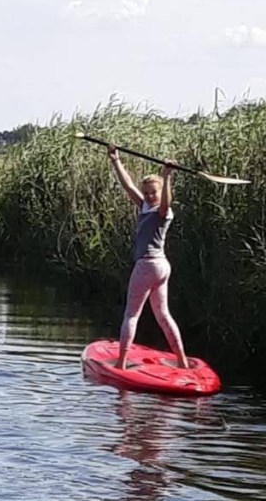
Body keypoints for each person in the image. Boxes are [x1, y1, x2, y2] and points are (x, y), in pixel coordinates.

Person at [108, 144, 190, 370]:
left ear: (160, 190)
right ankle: (182, 361)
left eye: (153, 192)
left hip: (148, 265)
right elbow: (128, 186)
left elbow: (166, 201)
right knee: (163, 315)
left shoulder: (163, 211)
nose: (149, 196)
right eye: (146, 193)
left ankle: (121, 364)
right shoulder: (145, 206)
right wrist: (116, 160)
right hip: (161, 266)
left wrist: (166, 175)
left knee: (131, 314)